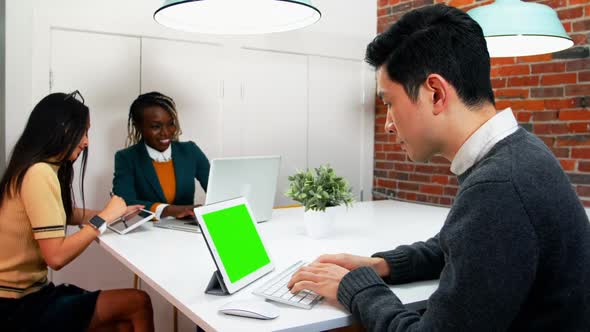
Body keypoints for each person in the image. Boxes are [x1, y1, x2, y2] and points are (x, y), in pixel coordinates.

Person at [288, 4, 590, 331]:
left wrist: (356, 287)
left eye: (390, 102)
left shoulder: (499, 187)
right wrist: (381, 265)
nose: (388, 124)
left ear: (435, 94)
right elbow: (458, 244)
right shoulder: (521, 152)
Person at [0, 91, 154, 331]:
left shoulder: (35, 168)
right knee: (137, 303)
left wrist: (115, 215)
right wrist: (103, 218)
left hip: (29, 295)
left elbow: (65, 213)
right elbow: (56, 257)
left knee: (123, 320)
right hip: (16, 307)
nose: (86, 142)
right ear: (61, 129)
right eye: (83, 132)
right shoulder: (39, 174)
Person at [113, 91, 210, 220]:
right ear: (139, 127)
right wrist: (170, 210)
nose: (166, 132)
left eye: (171, 124)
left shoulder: (190, 151)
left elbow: (217, 188)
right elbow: (125, 203)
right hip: (150, 232)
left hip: (188, 228)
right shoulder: (127, 158)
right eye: (156, 126)